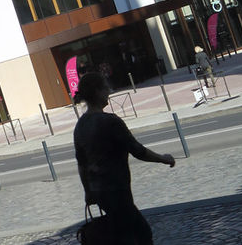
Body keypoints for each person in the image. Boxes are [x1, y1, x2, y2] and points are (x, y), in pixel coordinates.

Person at [73, 72, 175, 245]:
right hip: (117, 190)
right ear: (97, 92)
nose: (109, 91)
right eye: (106, 88)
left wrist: (88, 192)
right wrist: (164, 159)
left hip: (99, 193)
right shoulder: (110, 122)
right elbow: (138, 151)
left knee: (127, 234)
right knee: (140, 234)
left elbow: (82, 164)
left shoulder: (81, 125)